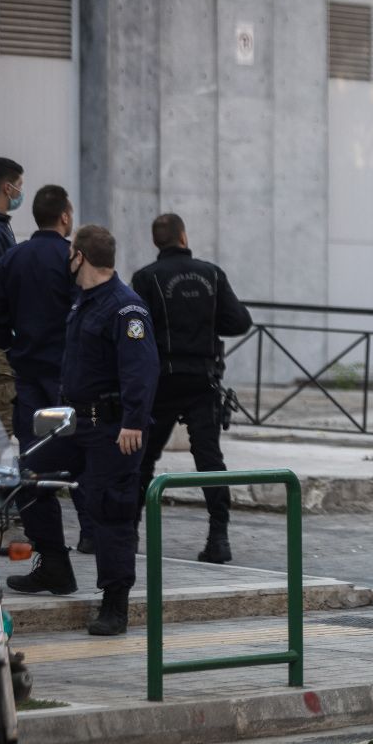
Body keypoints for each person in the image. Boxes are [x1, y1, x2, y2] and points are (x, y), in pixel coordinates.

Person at [53, 225, 158, 634]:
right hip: (76, 423)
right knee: (31, 479)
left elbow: (141, 368)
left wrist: (133, 420)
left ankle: (115, 604)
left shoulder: (124, 307)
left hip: (113, 429)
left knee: (112, 512)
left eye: (70, 254)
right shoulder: (86, 302)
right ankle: (51, 565)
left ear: (80, 256)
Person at [132, 214, 252, 563]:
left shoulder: (145, 278)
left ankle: (130, 532)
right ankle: (219, 537)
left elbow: (136, 329)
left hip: (162, 380)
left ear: (158, 241)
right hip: (203, 379)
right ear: (183, 236)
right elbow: (239, 321)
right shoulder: (212, 274)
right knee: (209, 458)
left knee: (144, 458)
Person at [0, 185, 96, 590]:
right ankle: (93, 536)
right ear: (66, 217)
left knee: (33, 470)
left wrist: (19, 345)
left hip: (29, 381)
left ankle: (53, 560)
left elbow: (0, 319)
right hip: (67, 381)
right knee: (83, 460)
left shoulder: (13, 257)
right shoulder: (72, 259)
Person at [0, 157, 24, 440]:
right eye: (19, 187)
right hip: (0, 346)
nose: (20, 193)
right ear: (7, 188)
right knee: (2, 437)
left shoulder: (3, 227)